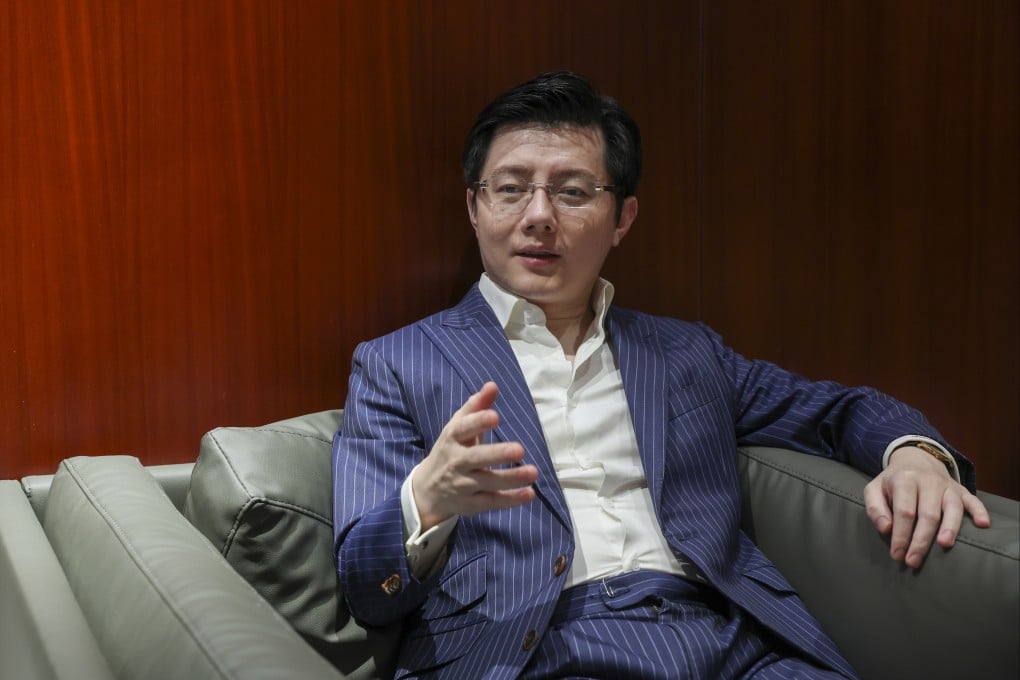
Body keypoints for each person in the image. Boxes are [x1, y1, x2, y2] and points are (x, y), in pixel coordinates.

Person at [332, 71, 990, 679]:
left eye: (572, 191)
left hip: (732, 645)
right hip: (540, 650)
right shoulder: (398, 364)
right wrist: (428, 500)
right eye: (510, 189)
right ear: (475, 208)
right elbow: (367, 585)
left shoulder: (685, 352)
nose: (538, 215)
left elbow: (835, 411)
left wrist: (916, 455)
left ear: (622, 219)